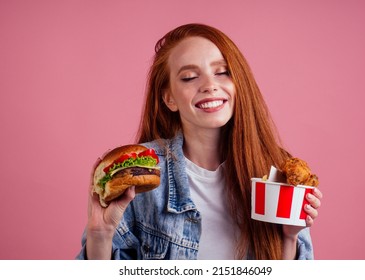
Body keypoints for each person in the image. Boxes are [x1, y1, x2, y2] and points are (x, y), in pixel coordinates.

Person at [76, 23, 322, 260]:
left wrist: (289, 237)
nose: (210, 85)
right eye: (190, 77)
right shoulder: (141, 177)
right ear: (169, 98)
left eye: (222, 72)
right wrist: (100, 234)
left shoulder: (277, 169)